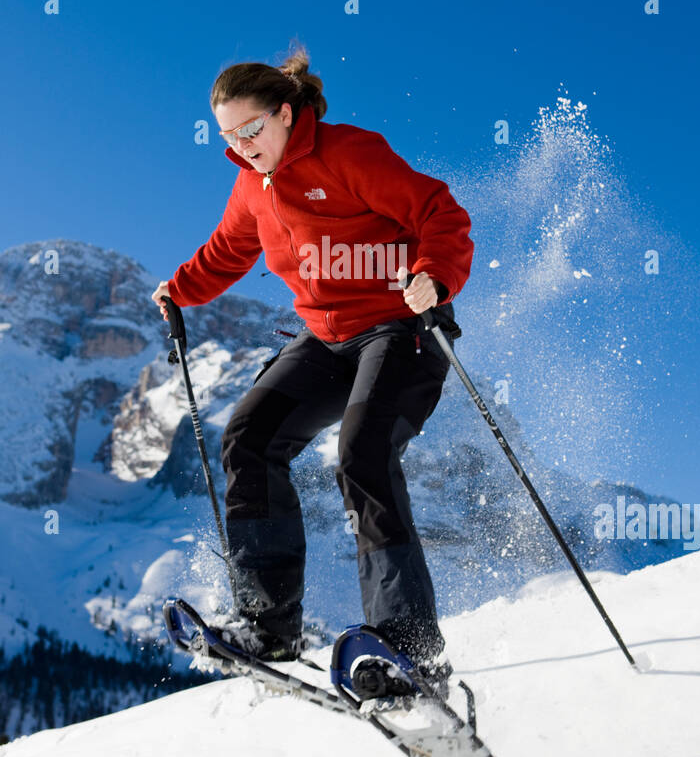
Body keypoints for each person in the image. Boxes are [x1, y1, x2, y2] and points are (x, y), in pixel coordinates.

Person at [152, 44, 474, 694]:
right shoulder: (252, 186)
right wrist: (179, 288)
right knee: (248, 436)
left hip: (398, 328)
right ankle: (267, 624)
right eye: (228, 137)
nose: (242, 146)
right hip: (326, 338)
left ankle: (408, 644)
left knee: (362, 454)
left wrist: (434, 276)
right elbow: (227, 250)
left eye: (252, 129)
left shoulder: (349, 153)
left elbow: (439, 211)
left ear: (288, 113)